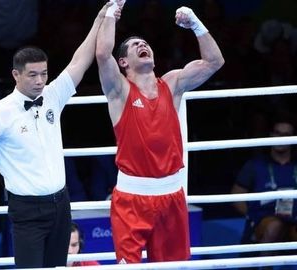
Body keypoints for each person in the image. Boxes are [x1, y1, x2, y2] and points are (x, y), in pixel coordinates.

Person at [0, 2, 116, 268]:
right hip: (27, 211)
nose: (39, 80)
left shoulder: (53, 95)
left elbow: (80, 59)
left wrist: (100, 18)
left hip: (61, 204)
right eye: (32, 75)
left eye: (43, 74)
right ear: (15, 75)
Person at [96, 2, 224, 263]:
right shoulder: (118, 91)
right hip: (132, 198)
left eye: (145, 44)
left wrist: (195, 24)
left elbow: (214, 61)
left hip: (171, 196)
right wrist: (111, 11)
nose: (143, 46)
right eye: (135, 45)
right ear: (123, 62)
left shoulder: (173, 83)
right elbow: (101, 55)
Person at [231, 113, 297, 251]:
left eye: (286, 135)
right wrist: (252, 216)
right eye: (277, 133)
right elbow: (236, 196)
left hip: (294, 218)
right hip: (264, 219)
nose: (280, 138)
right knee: (274, 227)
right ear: (271, 135)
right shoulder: (255, 165)